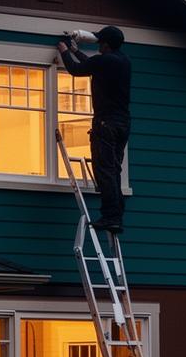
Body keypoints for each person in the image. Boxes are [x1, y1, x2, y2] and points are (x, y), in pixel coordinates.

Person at [55, 26, 131, 233]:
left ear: (105, 44)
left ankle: (110, 217)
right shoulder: (123, 61)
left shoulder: (103, 60)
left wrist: (63, 51)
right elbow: (91, 64)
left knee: (104, 170)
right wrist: (75, 51)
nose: (98, 45)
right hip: (123, 123)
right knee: (114, 170)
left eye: (99, 42)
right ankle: (116, 217)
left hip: (105, 123)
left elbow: (77, 69)